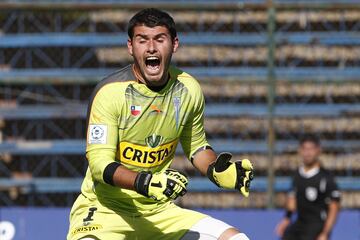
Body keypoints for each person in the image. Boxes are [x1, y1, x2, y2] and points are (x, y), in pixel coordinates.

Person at [67, 8, 253, 240]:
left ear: (174, 44)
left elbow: (197, 147)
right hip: (105, 210)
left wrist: (217, 170)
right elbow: (99, 165)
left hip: (159, 211)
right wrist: (145, 181)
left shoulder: (188, 90)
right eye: (142, 40)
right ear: (130, 47)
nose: (151, 48)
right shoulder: (109, 93)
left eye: (159, 39)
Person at [275, 134, 341, 240]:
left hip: (317, 227)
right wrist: (286, 219)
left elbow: (334, 208)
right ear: (300, 151)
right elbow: (292, 200)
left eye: (311, 149)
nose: (307, 153)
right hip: (300, 224)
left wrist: (325, 233)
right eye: (305, 149)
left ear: (318, 150)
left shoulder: (325, 178)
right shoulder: (297, 174)